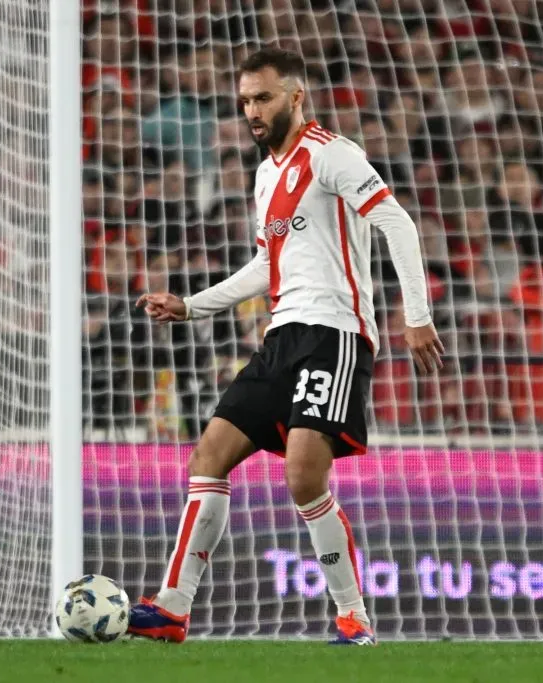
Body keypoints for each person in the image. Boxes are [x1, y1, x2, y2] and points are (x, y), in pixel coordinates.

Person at [128, 47, 442, 646]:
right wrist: (192, 305)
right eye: (245, 99)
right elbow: (264, 266)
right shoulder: (265, 173)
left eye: (263, 97)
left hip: (334, 332)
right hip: (281, 333)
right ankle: (172, 607)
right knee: (209, 456)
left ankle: (354, 619)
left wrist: (416, 316)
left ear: (295, 97)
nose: (252, 109)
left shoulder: (332, 153)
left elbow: (396, 223)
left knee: (303, 476)